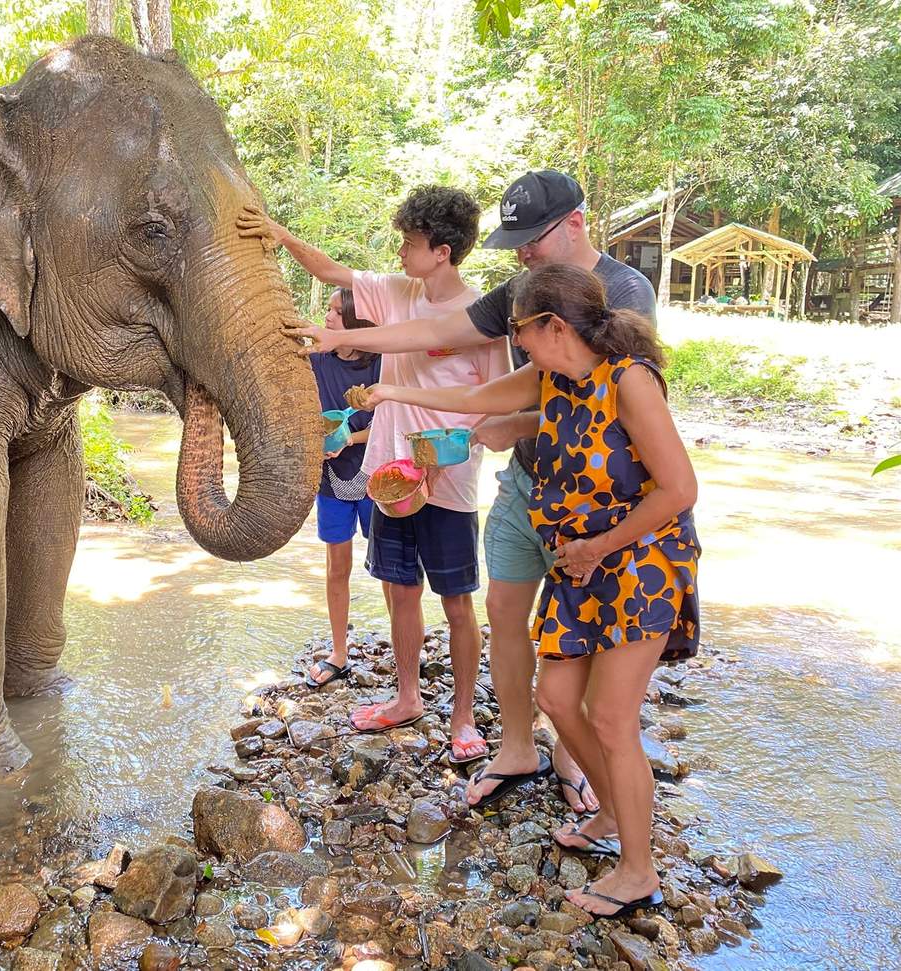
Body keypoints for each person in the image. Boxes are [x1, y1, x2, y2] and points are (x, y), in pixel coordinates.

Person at [285, 171, 657, 814]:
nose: (521, 254)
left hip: (601, 508)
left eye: (531, 240)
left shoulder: (625, 302)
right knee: (510, 622)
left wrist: (497, 433)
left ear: (574, 222)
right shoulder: (520, 293)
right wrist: (358, 354)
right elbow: (461, 362)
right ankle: (518, 747)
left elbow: (607, 417)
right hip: (525, 489)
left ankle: (586, 775)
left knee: (589, 658)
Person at [354, 262, 700, 919]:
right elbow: (478, 401)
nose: (517, 343)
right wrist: (391, 393)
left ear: (554, 326)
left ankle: (637, 869)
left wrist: (598, 546)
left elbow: (679, 489)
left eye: (522, 332)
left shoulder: (628, 381)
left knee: (609, 716)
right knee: (557, 698)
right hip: (579, 564)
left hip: (638, 563)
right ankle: (612, 822)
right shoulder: (553, 377)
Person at [238, 186, 508, 762]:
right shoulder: (397, 292)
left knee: (458, 602)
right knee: (399, 591)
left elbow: (495, 401)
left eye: (410, 243)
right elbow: (332, 269)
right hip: (389, 475)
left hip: (449, 481)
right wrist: (279, 234)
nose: (402, 252)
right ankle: (406, 696)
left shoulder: (481, 313)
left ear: (442, 250)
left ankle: (463, 719)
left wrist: (450, 453)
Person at [305, 288, 382, 687]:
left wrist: (348, 440)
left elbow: (390, 422)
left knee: (390, 566)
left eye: (337, 312)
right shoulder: (316, 360)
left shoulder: (382, 364)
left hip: (375, 475)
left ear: (357, 322)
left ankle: (407, 646)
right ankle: (339, 653)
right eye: (330, 310)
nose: (328, 317)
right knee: (338, 566)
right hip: (330, 477)